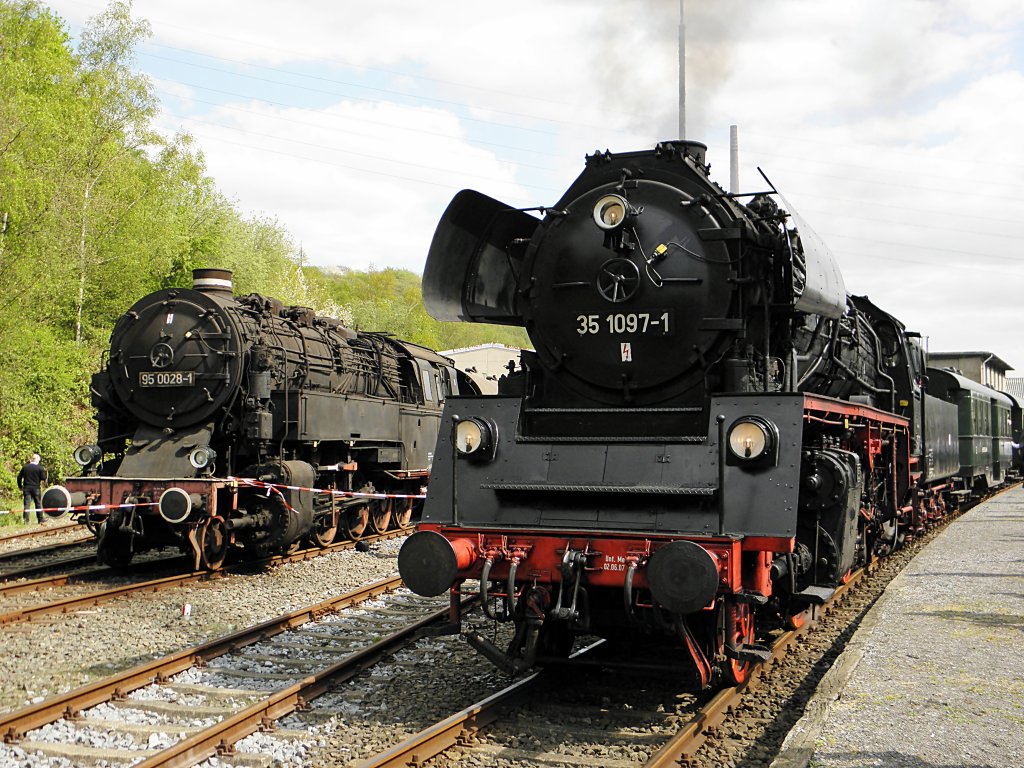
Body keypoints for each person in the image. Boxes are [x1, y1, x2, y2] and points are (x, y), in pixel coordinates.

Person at [17, 453, 47, 525]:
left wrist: (20, 486)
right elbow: (43, 478)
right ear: (37, 460)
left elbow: (19, 477)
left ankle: (26, 521)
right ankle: (40, 519)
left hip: (26, 488)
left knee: (27, 504)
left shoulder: (25, 467)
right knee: (38, 504)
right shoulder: (40, 468)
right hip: (36, 488)